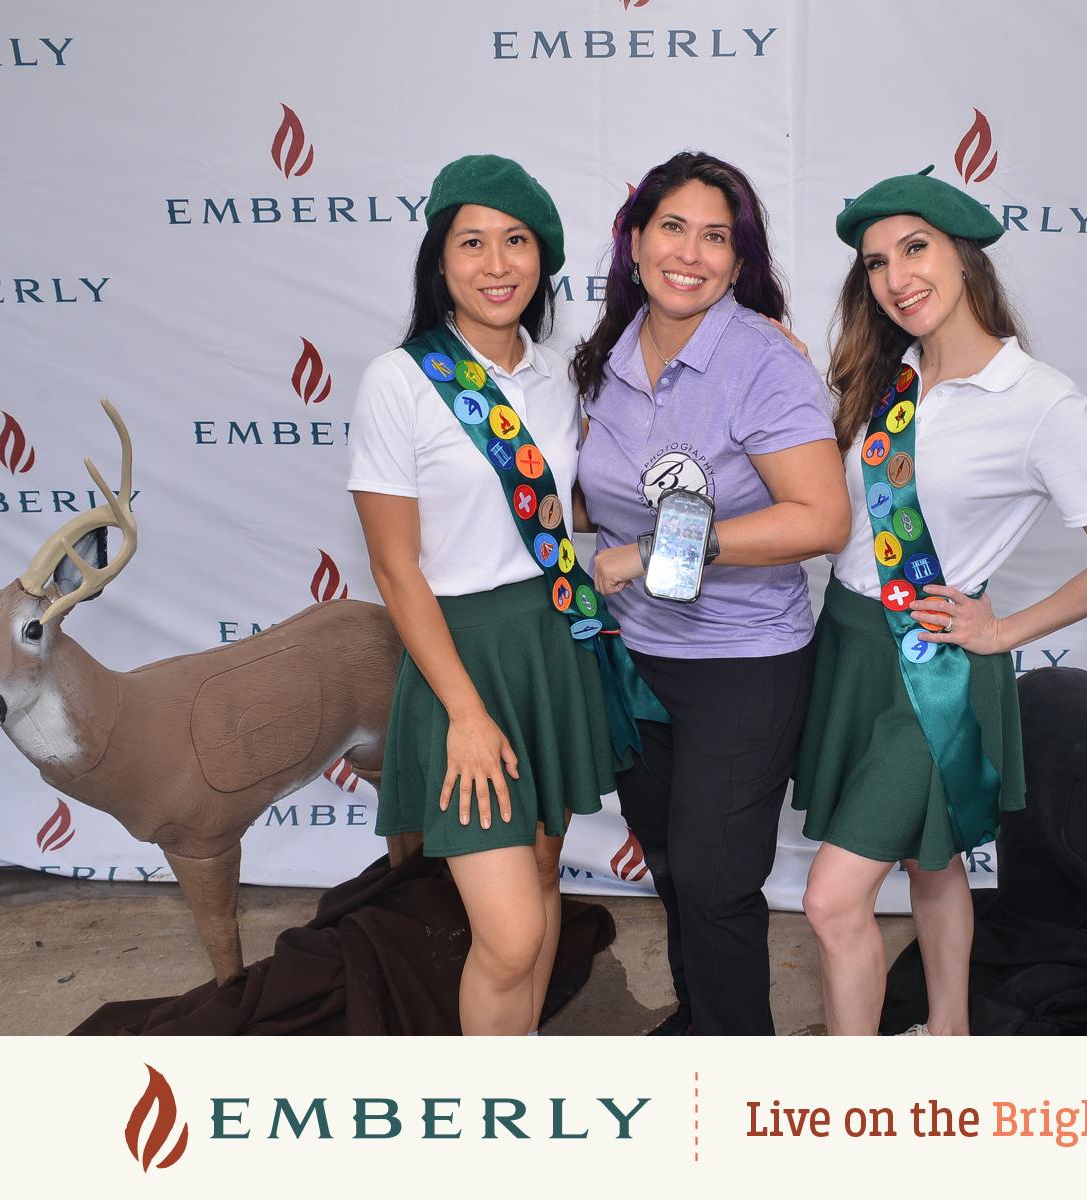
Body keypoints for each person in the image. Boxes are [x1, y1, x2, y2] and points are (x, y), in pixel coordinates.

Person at [794, 167, 1087, 1035]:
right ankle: (949, 1035)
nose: (897, 277)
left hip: (933, 673)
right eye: (877, 263)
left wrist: (1003, 630)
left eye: (915, 249)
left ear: (964, 256)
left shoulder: (1040, 403)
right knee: (936, 858)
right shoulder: (888, 378)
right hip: (848, 650)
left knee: (831, 901)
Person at [347, 155, 661, 1035]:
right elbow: (396, 570)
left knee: (544, 883)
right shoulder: (400, 382)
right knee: (512, 933)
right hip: (462, 661)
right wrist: (466, 713)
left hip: (550, 643)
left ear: (543, 260)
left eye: (516, 242)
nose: (496, 264)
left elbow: (581, 502)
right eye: (472, 242)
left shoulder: (559, 375)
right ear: (438, 261)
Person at [574, 150, 851, 1036]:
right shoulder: (605, 355)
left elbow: (821, 519)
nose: (689, 252)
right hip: (636, 657)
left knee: (717, 880)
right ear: (635, 239)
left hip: (744, 662)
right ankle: (701, 1027)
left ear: (740, 260)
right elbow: (590, 491)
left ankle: (736, 1078)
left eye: (715, 236)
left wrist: (657, 551)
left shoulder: (763, 361)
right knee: (670, 864)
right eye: (672, 228)